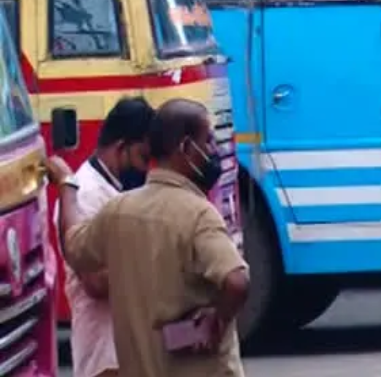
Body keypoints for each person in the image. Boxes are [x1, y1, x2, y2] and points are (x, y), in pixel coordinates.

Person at [48, 98, 250, 377]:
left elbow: (74, 244)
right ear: (186, 149)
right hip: (109, 357)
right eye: (208, 143)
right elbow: (237, 281)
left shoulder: (121, 206)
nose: (213, 151)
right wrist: (217, 317)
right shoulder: (196, 213)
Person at [56, 97, 155, 377]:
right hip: (105, 352)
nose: (146, 169)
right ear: (121, 147)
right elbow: (96, 282)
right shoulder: (86, 195)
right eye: (143, 157)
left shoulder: (114, 189)